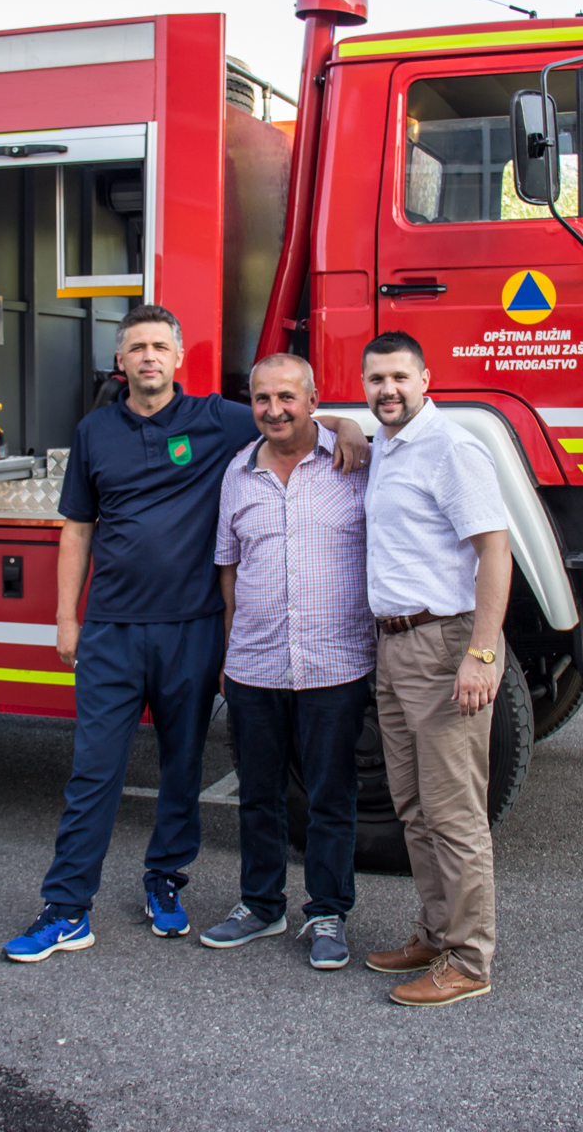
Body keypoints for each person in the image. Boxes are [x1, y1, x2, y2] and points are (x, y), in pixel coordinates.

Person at [3, 306, 369, 963]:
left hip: (192, 628)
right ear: (121, 362)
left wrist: (346, 426)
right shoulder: (94, 432)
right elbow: (78, 529)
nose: (148, 357)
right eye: (136, 347)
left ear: (178, 358)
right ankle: (65, 910)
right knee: (94, 773)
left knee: (180, 769)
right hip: (112, 629)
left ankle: (164, 883)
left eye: (160, 346)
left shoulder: (215, 419)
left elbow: (287, 417)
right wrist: (66, 616)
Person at [199, 352, 374, 970]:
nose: (273, 410)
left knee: (331, 795)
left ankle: (327, 912)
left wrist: (351, 429)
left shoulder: (355, 463)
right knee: (259, 795)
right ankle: (260, 906)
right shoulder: (237, 474)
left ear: (313, 398)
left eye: (286, 397)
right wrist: (228, 648)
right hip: (255, 663)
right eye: (262, 399)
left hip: (336, 662)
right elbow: (228, 566)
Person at [357, 331, 513, 1007]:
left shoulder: (452, 447)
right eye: (375, 379)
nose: (386, 389)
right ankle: (434, 932)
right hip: (395, 647)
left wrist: (481, 654)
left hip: (444, 641)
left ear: (426, 378)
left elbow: (495, 550)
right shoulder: (388, 446)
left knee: (454, 814)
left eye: (398, 377)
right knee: (414, 808)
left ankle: (469, 960)